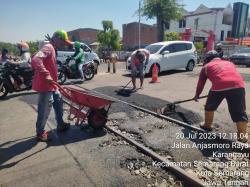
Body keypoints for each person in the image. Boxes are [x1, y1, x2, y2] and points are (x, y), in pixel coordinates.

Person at [193, 50, 248, 143]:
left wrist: (197, 95)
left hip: (218, 87)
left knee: (209, 107)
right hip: (238, 86)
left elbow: (201, 84)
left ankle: (207, 125)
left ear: (207, 59)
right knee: (239, 112)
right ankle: (242, 137)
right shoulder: (229, 63)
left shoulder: (206, 67)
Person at [32, 29, 72, 142]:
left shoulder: (53, 49)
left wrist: (54, 78)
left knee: (59, 101)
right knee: (44, 108)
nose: (64, 44)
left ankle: (60, 124)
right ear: (56, 38)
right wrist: (46, 74)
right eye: (63, 41)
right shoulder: (48, 47)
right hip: (45, 85)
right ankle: (40, 133)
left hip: (52, 85)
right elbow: (36, 59)